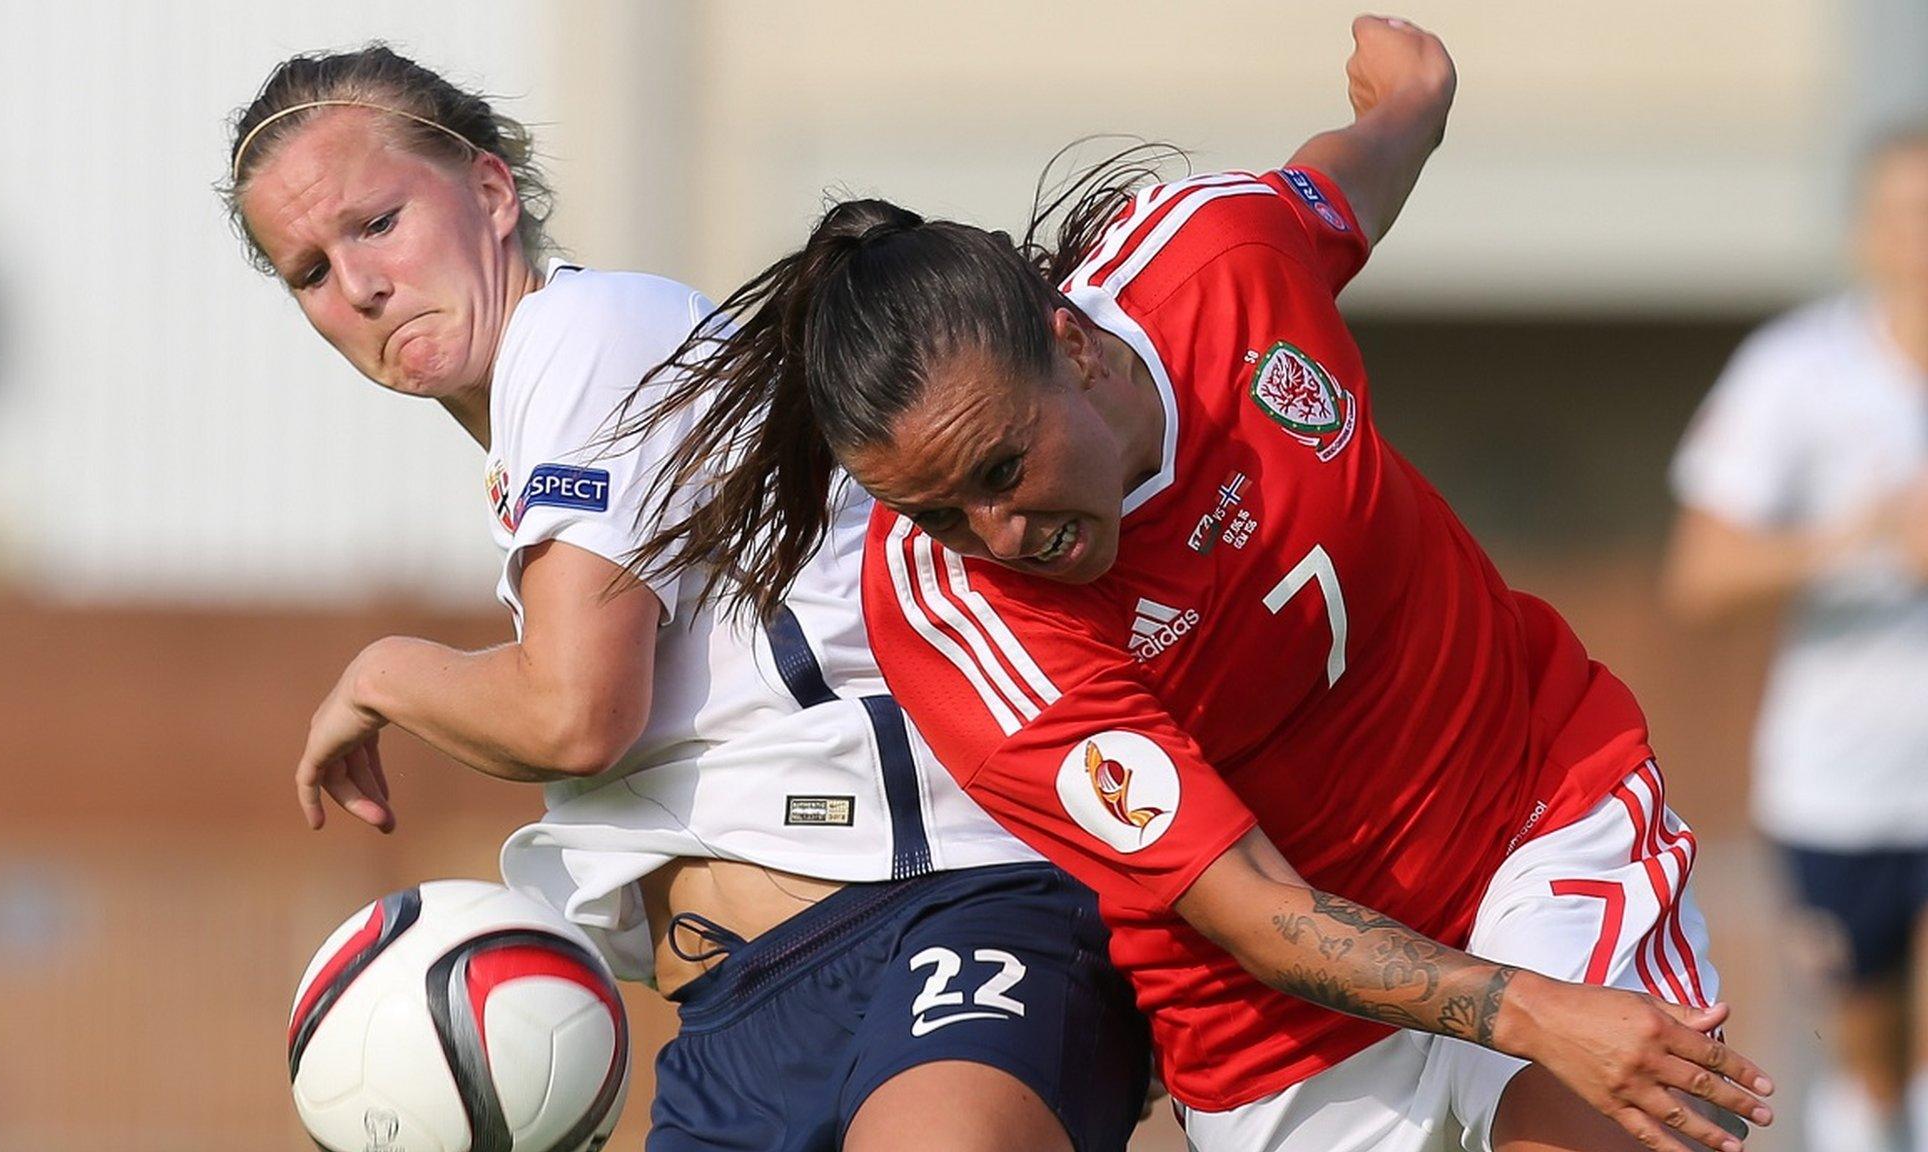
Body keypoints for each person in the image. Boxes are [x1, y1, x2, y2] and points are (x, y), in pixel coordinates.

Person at [623, 15, 1776, 1152]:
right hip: (1280, 1030)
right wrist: (1527, 1010)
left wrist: (1409, 102)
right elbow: (1257, 914)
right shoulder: (951, 621)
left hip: (1534, 815)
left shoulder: (1213, 256)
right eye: (937, 512)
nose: (995, 534)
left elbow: (1338, 192)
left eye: (1001, 468)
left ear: (1071, 342)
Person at [221, 45, 1151, 1152]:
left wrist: (383, 675)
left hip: (944, 910)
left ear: (489, 187)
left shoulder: (584, 335)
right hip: (737, 1016)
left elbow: (574, 712)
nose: (359, 284)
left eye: (376, 223)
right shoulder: (533, 425)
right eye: (310, 270)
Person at [1665, 122, 1928, 1152]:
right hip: (1842, 782)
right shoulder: (1795, 369)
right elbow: (1699, 574)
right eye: (1903, 215)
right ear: (1863, 232)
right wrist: (1859, 538)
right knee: (1869, 1044)